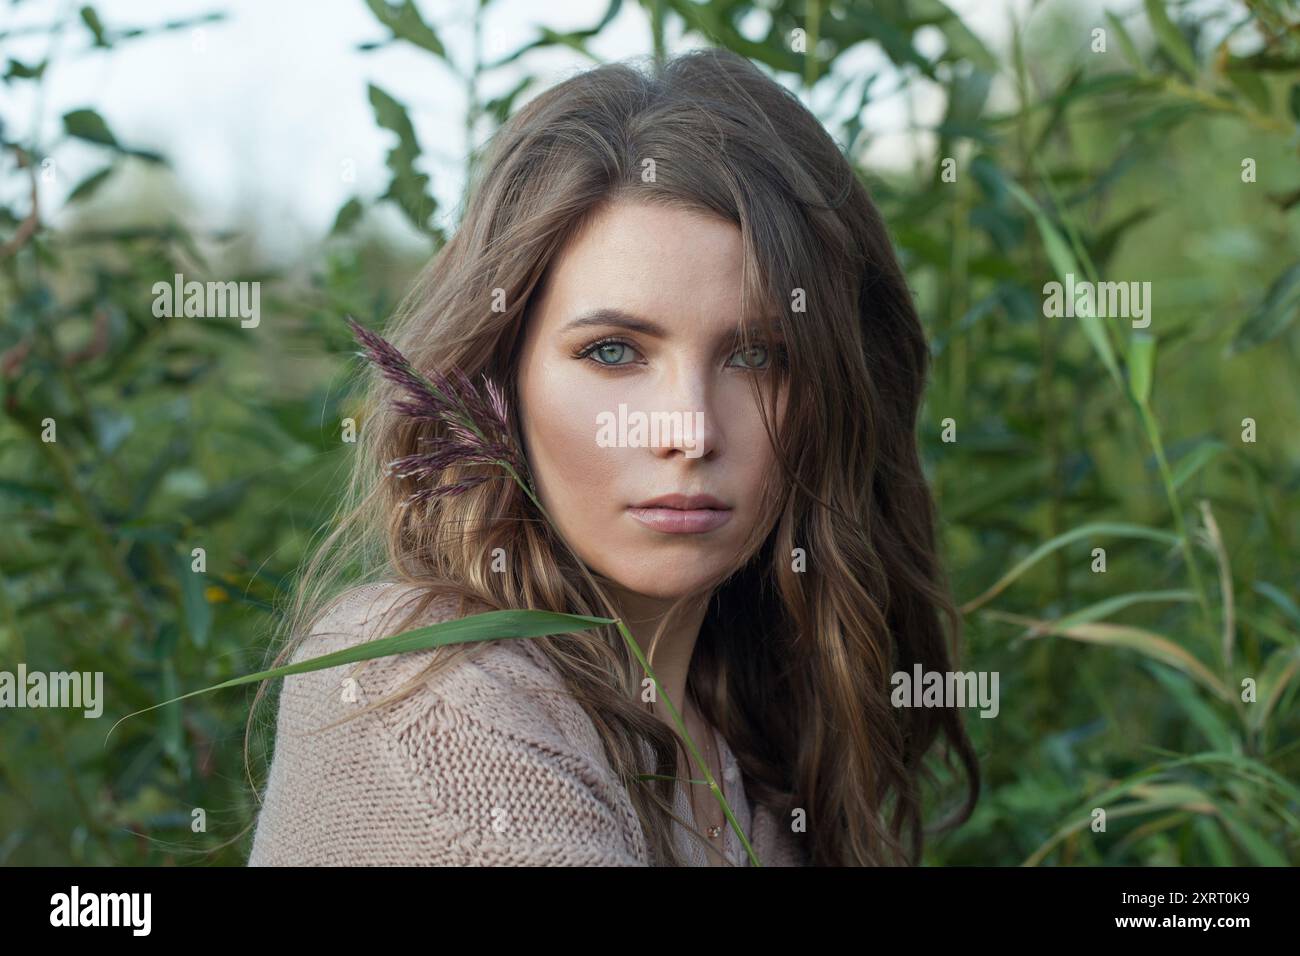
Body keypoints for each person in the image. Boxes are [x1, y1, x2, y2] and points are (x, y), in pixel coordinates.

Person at [246, 47, 979, 867]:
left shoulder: (754, 744)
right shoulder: (423, 687)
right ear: (499, 373)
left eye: (759, 357)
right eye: (612, 353)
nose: (688, 432)